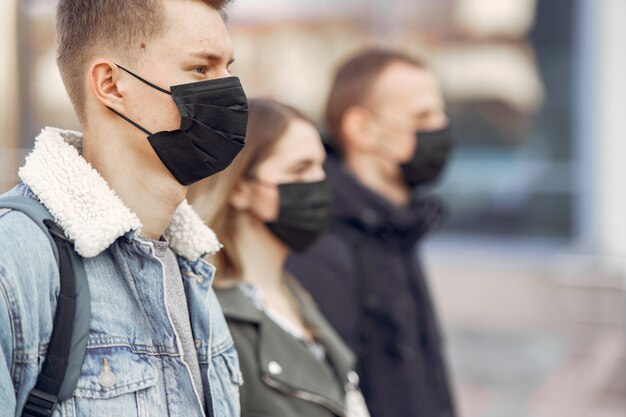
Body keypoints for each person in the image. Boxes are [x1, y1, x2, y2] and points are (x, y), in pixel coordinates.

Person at [0, 0, 247, 416]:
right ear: (111, 85)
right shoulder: (18, 258)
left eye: (227, 68)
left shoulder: (193, 267)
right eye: (200, 70)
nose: (231, 92)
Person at [286, 48, 457, 417]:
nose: (440, 127)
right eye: (422, 116)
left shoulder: (399, 227)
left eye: (440, 113)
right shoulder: (323, 245)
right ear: (361, 128)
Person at [188, 98, 370, 417]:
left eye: (320, 167)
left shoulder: (296, 295)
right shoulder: (211, 313)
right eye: (300, 169)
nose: (318, 183)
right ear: (240, 188)